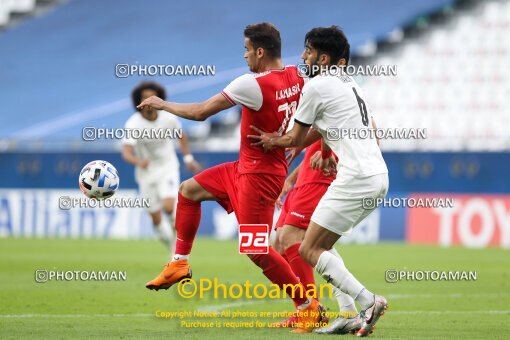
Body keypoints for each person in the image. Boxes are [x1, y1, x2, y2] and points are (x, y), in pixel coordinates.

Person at [137, 23, 324, 333]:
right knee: (188, 191)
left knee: (256, 249)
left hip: (260, 176)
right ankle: (179, 263)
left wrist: (162, 104)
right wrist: (295, 145)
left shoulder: (251, 84)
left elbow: (200, 112)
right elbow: (316, 123)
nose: (245, 55)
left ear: (261, 52)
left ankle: (308, 307)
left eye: (247, 50)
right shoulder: (298, 76)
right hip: (245, 168)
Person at [248, 26, 389, 337]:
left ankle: (368, 301)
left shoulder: (316, 86)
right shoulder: (349, 83)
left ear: (323, 58)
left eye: (308, 51)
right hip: (377, 175)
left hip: (355, 177)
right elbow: (323, 128)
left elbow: (295, 137)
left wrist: (273, 141)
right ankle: (350, 313)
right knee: (321, 243)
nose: (302, 56)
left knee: (307, 248)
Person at [122, 81, 201, 254]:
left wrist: (188, 158)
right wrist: (138, 161)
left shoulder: (168, 118)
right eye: (144, 97)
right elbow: (126, 152)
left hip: (168, 168)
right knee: (156, 220)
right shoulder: (133, 124)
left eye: (151, 97)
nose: (148, 101)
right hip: (146, 174)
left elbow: (181, 135)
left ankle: (176, 251)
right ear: (139, 100)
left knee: (169, 207)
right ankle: (169, 244)